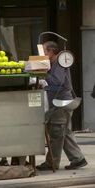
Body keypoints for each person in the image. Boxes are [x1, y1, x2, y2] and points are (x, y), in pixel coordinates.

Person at [36, 41, 87, 170]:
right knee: (65, 132)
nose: (42, 54)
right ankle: (78, 159)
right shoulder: (53, 63)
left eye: (45, 51)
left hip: (62, 102)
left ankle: (51, 162)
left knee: (57, 132)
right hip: (58, 101)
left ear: (52, 52)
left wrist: (43, 73)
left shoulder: (59, 62)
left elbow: (57, 81)